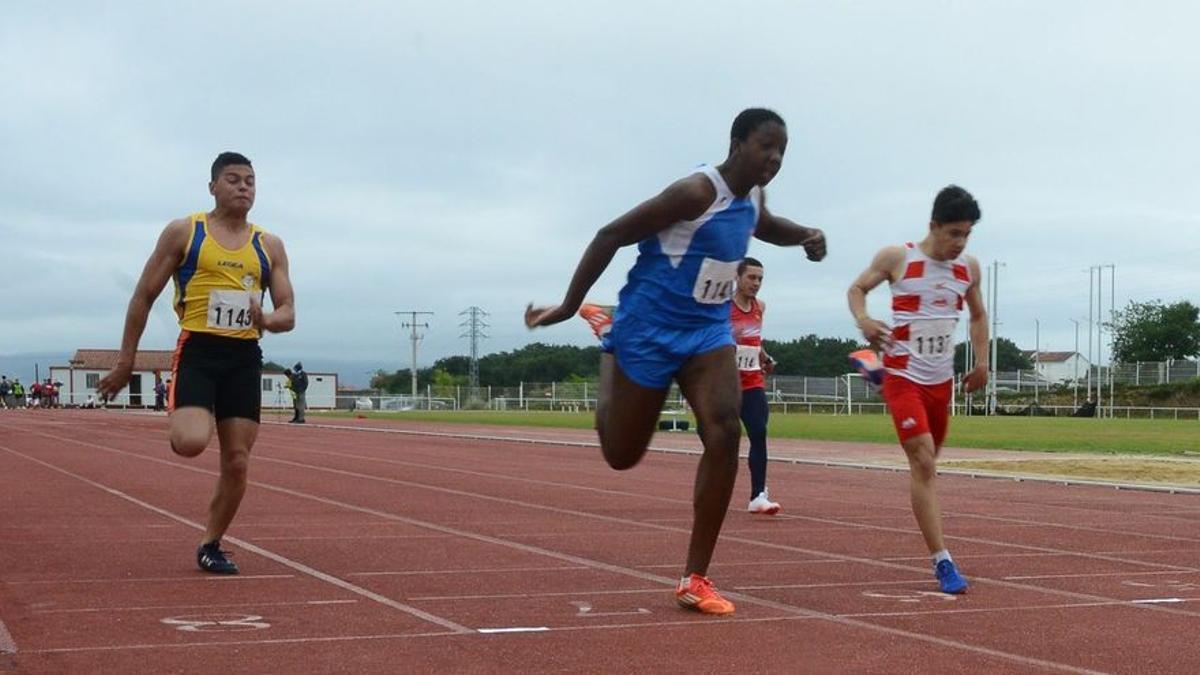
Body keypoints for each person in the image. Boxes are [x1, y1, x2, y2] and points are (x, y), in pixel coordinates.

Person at [526, 109, 826, 615]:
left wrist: (805, 235)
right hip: (648, 327)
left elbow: (766, 225)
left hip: (707, 330)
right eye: (765, 148)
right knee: (621, 455)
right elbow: (609, 235)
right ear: (736, 144)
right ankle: (609, 335)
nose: (774, 159)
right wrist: (570, 306)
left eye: (782, 151)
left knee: (726, 430)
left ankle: (695, 577)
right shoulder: (694, 193)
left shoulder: (753, 197)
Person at [99, 151, 295, 575]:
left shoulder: (269, 245)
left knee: (238, 460)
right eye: (233, 179)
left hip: (244, 356)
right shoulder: (185, 232)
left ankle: (211, 543)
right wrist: (124, 361)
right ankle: (191, 413)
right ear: (212, 187)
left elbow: (288, 312)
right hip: (198, 351)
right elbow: (143, 296)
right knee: (190, 442)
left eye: (250, 181)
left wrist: (266, 319)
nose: (244, 187)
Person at [846, 185, 988, 594]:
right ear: (933, 226)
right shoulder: (899, 258)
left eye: (967, 235)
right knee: (923, 461)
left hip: (939, 382)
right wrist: (865, 320)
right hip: (905, 374)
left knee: (928, 468)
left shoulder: (968, 269)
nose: (960, 243)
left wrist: (982, 362)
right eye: (954, 233)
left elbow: (978, 316)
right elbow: (857, 289)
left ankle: (874, 373)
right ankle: (942, 561)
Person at [731, 257, 780, 515]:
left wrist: (765, 358)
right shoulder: (722, 307)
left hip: (752, 382)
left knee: (759, 433)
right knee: (721, 440)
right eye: (751, 277)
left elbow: (754, 341)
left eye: (760, 279)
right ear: (737, 278)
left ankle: (758, 495)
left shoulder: (760, 307)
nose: (756, 283)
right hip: (724, 384)